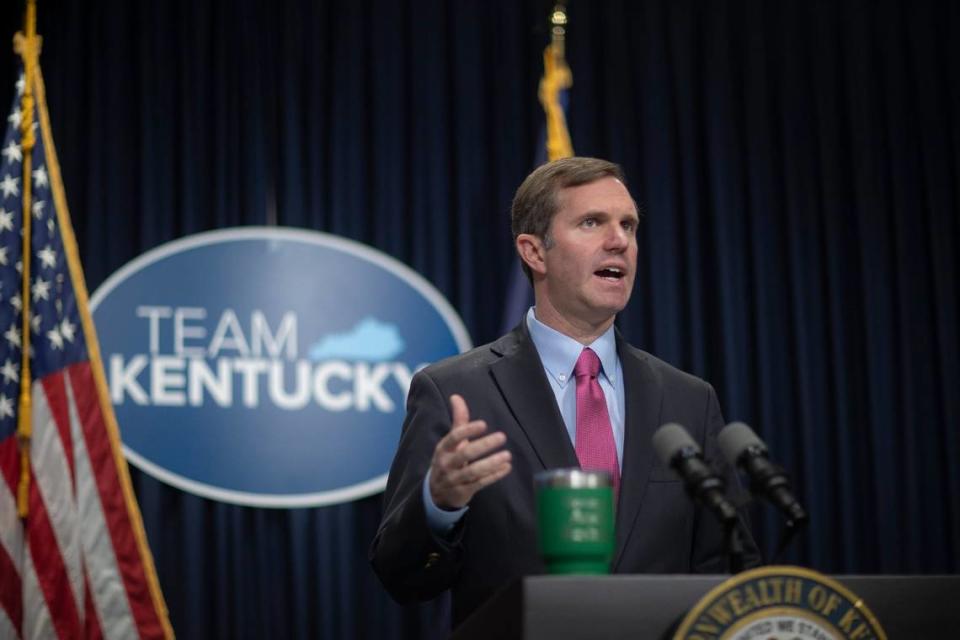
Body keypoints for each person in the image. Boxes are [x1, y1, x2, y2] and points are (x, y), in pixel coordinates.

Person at [369, 157, 758, 628]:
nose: (620, 241)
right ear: (534, 252)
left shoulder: (688, 400)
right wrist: (440, 503)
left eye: (628, 226)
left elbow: (730, 572)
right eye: (592, 222)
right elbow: (401, 578)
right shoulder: (455, 391)